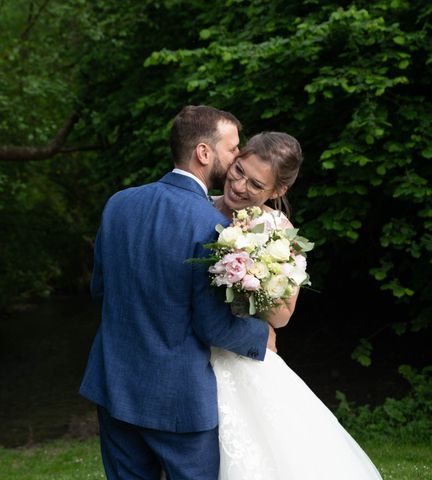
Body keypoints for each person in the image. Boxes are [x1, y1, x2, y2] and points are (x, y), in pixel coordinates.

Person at [79, 105, 274, 480]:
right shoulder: (214, 226)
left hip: (114, 386)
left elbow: (100, 289)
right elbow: (212, 326)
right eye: (232, 149)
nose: (238, 159)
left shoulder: (118, 203)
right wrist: (261, 335)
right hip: (178, 400)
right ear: (204, 152)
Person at [210, 131, 383, 479]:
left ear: (277, 192)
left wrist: (248, 276)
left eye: (256, 185)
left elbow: (283, 316)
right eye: (239, 170)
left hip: (243, 354)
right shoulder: (198, 205)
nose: (240, 185)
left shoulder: (278, 232)